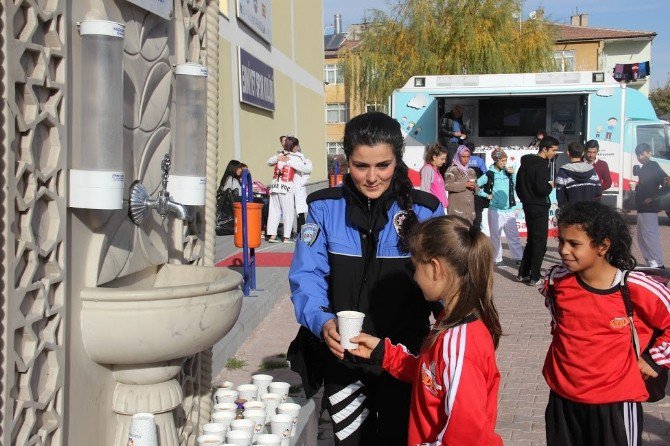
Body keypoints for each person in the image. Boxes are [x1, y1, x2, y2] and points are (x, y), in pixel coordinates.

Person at [288, 112, 444, 445]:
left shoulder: (426, 211)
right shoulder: (323, 207)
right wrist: (322, 322)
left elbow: (448, 287)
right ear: (346, 160)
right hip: (343, 359)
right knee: (351, 441)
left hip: (402, 357)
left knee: (397, 438)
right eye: (361, 166)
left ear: (397, 160)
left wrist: (458, 337)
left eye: (383, 165)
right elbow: (307, 276)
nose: (372, 177)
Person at [347, 216, 503, 446]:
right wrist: (383, 353)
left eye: (415, 267)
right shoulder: (450, 321)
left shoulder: (459, 344)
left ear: (435, 268)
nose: (415, 277)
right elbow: (430, 376)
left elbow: (465, 433)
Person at [539, 201, 670, 446]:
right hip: (562, 400)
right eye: (561, 241)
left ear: (602, 246)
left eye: (574, 244)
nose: (564, 250)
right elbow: (558, 319)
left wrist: (655, 359)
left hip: (616, 405)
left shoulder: (634, 287)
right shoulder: (557, 280)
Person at [516, 136, 559, 286]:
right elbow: (541, 189)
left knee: (531, 241)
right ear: (545, 149)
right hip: (539, 207)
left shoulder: (524, 164)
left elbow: (518, 187)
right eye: (553, 150)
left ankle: (523, 272)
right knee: (540, 242)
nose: (555, 153)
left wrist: (526, 200)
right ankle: (535, 276)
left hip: (528, 206)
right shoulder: (542, 165)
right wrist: (550, 186)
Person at [477, 148, 523, 266]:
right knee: (495, 236)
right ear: (496, 160)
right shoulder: (489, 174)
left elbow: (515, 185)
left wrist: (513, 174)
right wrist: (486, 195)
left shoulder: (508, 172)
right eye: (502, 160)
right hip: (495, 210)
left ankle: (519, 258)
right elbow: (475, 185)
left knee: (513, 236)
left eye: (505, 160)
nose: (504, 163)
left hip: (510, 210)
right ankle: (497, 259)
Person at [266, 137, 311, 243]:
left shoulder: (280, 155)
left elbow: (268, 162)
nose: (297, 148)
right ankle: (286, 237)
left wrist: (278, 158)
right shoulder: (294, 157)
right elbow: (307, 169)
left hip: (274, 186)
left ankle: (272, 236)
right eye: (296, 146)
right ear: (293, 146)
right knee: (288, 212)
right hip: (286, 187)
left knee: (274, 212)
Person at [634, 143, 668, 268]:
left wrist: (653, 198)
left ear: (649, 153)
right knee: (641, 238)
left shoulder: (653, 165)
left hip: (650, 209)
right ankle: (651, 263)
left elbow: (667, 182)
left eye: (643, 154)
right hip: (642, 208)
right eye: (638, 155)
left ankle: (658, 264)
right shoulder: (644, 167)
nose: (640, 157)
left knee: (649, 236)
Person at [555, 142, 602, 207]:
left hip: (571, 213)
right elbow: (598, 193)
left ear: (568, 153)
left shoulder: (563, 172)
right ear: (583, 153)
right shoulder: (593, 171)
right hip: (590, 212)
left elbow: (560, 196)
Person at [445, 145, 478, 224]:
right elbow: (447, 186)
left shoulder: (471, 171)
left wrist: (475, 188)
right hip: (456, 211)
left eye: (468, 156)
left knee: (467, 234)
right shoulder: (452, 169)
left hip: (469, 212)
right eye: (463, 156)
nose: (466, 159)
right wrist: (465, 185)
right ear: (458, 156)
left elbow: (477, 188)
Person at [292, 140, 313, 236]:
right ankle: (290, 232)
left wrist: (302, 182)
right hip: (289, 186)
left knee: (300, 211)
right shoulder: (289, 157)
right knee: (290, 210)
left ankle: (301, 231)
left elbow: (308, 170)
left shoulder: (304, 159)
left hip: (298, 186)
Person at [419, 143, 448, 210]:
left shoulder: (436, 170)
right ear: (434, 157)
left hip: (439, 208)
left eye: (445, 159)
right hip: (433, 208)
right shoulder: (427, 169)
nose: (444, 161)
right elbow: (425, 191)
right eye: (442, 159)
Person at [466, 141, 488, 229]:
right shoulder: (480, 160)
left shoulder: (462, 159)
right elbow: (485, 175)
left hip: (465, 190)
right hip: (476, 190)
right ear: (474, 150)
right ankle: (476, 231)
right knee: (478, 212)